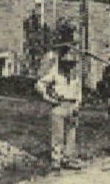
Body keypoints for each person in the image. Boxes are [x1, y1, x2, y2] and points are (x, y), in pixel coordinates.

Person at [35, 43, 83, 171]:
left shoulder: (75, 77)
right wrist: (47, 97)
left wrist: (77, 104)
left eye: (71, 64)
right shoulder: (55, 74)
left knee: (71, 133)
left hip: (72, 105)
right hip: (59, 105)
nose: (69, 66)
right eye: (66, 63)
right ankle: (56, 160)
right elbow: (39, 84)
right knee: (58, 135)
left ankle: (69, 159)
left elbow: (79, 92)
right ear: (62, 63)